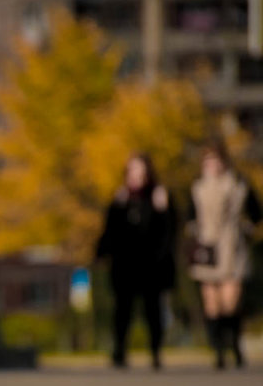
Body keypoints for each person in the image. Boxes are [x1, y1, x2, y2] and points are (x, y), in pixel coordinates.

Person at [95, 153, 176, 370]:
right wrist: (101, 253)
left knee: (153, 310)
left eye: (141, 171)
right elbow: (110, 230)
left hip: (152, 264)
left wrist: (164, 207)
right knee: (123, 309)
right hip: (125, 264)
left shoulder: (159, 198)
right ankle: (119, 351)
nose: (136, 176)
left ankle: (156, 351)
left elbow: (170, 231)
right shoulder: (120, 200)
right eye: (132, 171)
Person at [187, 139, 262, 369]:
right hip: (207, 247)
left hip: (232, 245)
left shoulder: (239, 184)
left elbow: (256, 214)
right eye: (208, 161)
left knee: (231, 300)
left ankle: (235, 344)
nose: (212, 165)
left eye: (215, 160)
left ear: (223, 161)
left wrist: (246, 229)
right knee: (212, 303)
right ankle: (218, 350)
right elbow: (190, 219)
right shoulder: (197, 188)